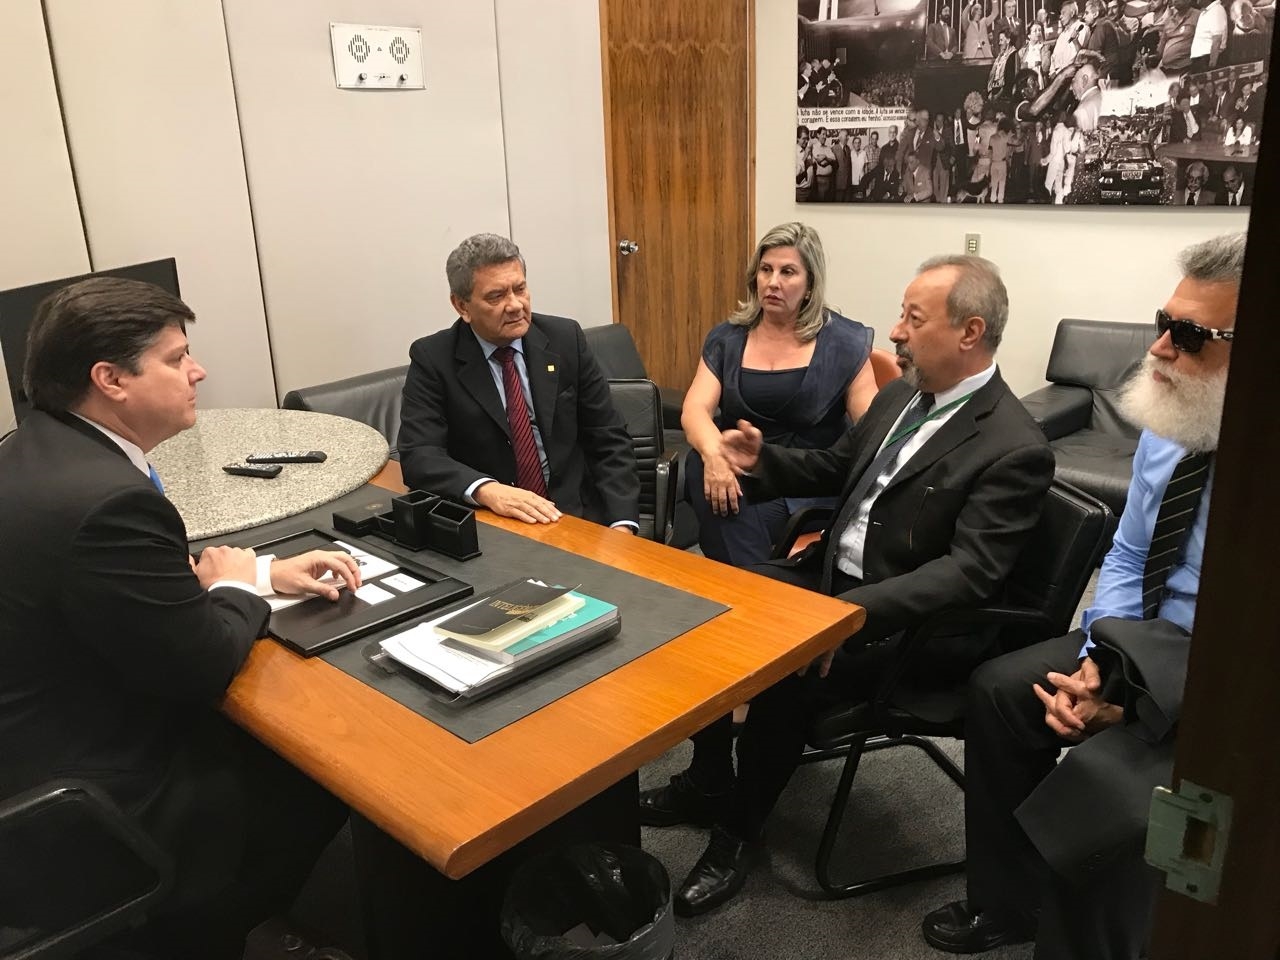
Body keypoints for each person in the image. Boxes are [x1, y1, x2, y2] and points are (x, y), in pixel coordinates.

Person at [642, 255, 1055, 917]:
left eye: (913, 319)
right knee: (711, 608)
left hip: (907, 625)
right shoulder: (903, 396)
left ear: (970, 332)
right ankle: (710, 779)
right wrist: (764, 461)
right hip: (833, 579)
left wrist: (850, 614)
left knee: (782, 661)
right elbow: (838, 467)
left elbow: (969, 572)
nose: (896, 332)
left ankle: (737, 830)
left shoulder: (1014, 445)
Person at [0, 277, 360, 959]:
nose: (198, 371)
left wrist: (258, 574)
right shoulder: (107, 500)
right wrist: (239, 592)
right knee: (323, 773)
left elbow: (123, 580)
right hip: (87, 809)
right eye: (176, 358)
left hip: (29, 750)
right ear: (110, 379)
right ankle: (205, 930)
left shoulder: (38, 451)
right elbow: (203, 667)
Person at [922, 232, 1244, 960]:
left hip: (1224, 675)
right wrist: (1104, 658)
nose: (1159, 349)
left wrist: (1137, 703)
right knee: (1002, 692)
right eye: (1163, 323)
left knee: (1109, 802)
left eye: (1190, 336)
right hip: (1143, 637)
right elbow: (1128, 555)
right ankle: (1007, 903)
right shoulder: (1174, 421)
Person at [399, 233, 638, 529]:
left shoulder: (565, 339)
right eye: (496, 296)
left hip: (574, 515)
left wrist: (621, 527)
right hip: (494, 521)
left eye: (520, 289)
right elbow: (419, 455)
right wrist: (486, 490)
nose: (515, 305)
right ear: (462, 306)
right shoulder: (433, 358)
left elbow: (609, 438)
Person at [682, 223, 876, 568]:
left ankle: (748, 585)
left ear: (810, 284)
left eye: (788, 272)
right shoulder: (727, 338)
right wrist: (714, 455)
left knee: (728, 514)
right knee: (700, 463)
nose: (773, 282)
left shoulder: (844, 343)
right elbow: (695, 408)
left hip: (807, 483)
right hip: (743, 473)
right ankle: (761, 586)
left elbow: (875, 427)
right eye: (766, 270)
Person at [1158, 0, 1200, 73]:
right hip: (1166, 68)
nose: (1175, 0)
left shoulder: (1198, 16)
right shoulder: (1169, 20)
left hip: (1186, 67)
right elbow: (1162, 43)